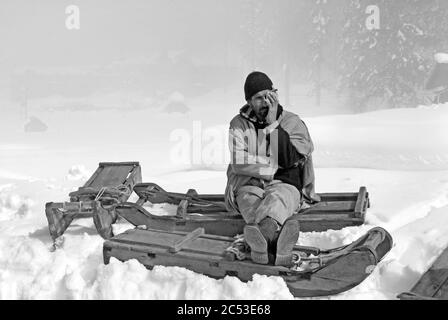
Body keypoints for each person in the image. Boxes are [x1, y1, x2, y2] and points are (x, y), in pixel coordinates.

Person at [224, 71, 320, 266]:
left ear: (275, 95)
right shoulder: (239, 124)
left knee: (277, 199)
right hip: (248, 185)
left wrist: (273, 125)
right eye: (258, 98)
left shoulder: (292, 122)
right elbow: (239, 161)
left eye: (269, 95)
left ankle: (262, 236)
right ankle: (275, 240)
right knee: (249, 200)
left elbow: (289, 159)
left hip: (285, 185)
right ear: (249, 101)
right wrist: (272, 168)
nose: (265, 102)